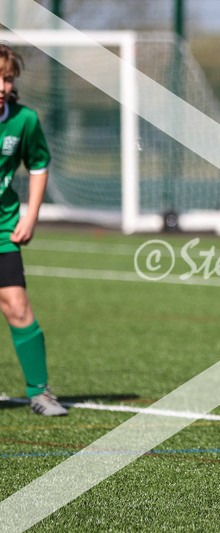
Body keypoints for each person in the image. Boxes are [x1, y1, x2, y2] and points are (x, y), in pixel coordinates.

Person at [0, 43, 66, 416]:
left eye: (7, 77)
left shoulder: (23, 120)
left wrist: (31, 215)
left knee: (17, 305)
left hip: (2, 228)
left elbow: (38, 164)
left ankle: (39, 392)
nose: (2, 85)